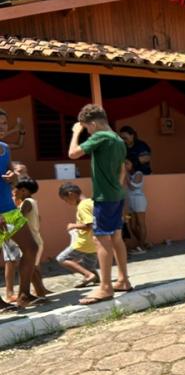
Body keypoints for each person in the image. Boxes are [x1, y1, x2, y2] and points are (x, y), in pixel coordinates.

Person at [68, 104, 131, 305]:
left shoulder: (100, 136)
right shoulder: (119, 140)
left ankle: (105, 287)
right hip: (117, 194)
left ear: (93, 123)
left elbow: (73, 153)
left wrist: (76, 133)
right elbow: (123, 169)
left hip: (105, 197)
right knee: (116, 237)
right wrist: (117, 188)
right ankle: (123, 280)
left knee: (100, 239)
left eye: (87, 127)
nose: (88, 131)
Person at [14, 178, 51, 299]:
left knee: (31, 268)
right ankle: (40, 293)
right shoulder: (32, 201)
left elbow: (18, 218)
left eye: (16, 190)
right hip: (34, 238)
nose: (14, 192)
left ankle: (37, 293)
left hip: (32, 239)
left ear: (24, 191)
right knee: (32, 268)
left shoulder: (27, 202)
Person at [57, 183, 99, 288]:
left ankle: (88, 275)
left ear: (71, 194)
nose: (67, 203)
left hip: (84, 242)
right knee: (88, 265)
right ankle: (94, 276)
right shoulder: (90, 202)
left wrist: (73, 225)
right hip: (93, 242)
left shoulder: (82, 206)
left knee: (62, 258)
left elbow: (89, 225)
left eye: (65, 200)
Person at [124, 158, 148, 252]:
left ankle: (141, 246)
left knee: (141, 223)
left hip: (138, 199)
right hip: (129, 201)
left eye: (127, 163)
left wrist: (125, 175)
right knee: (132, 225)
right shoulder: (128, 174)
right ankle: (144, 242)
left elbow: (133, 186)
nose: (125, 165)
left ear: (133, 164)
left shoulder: (138, 173)